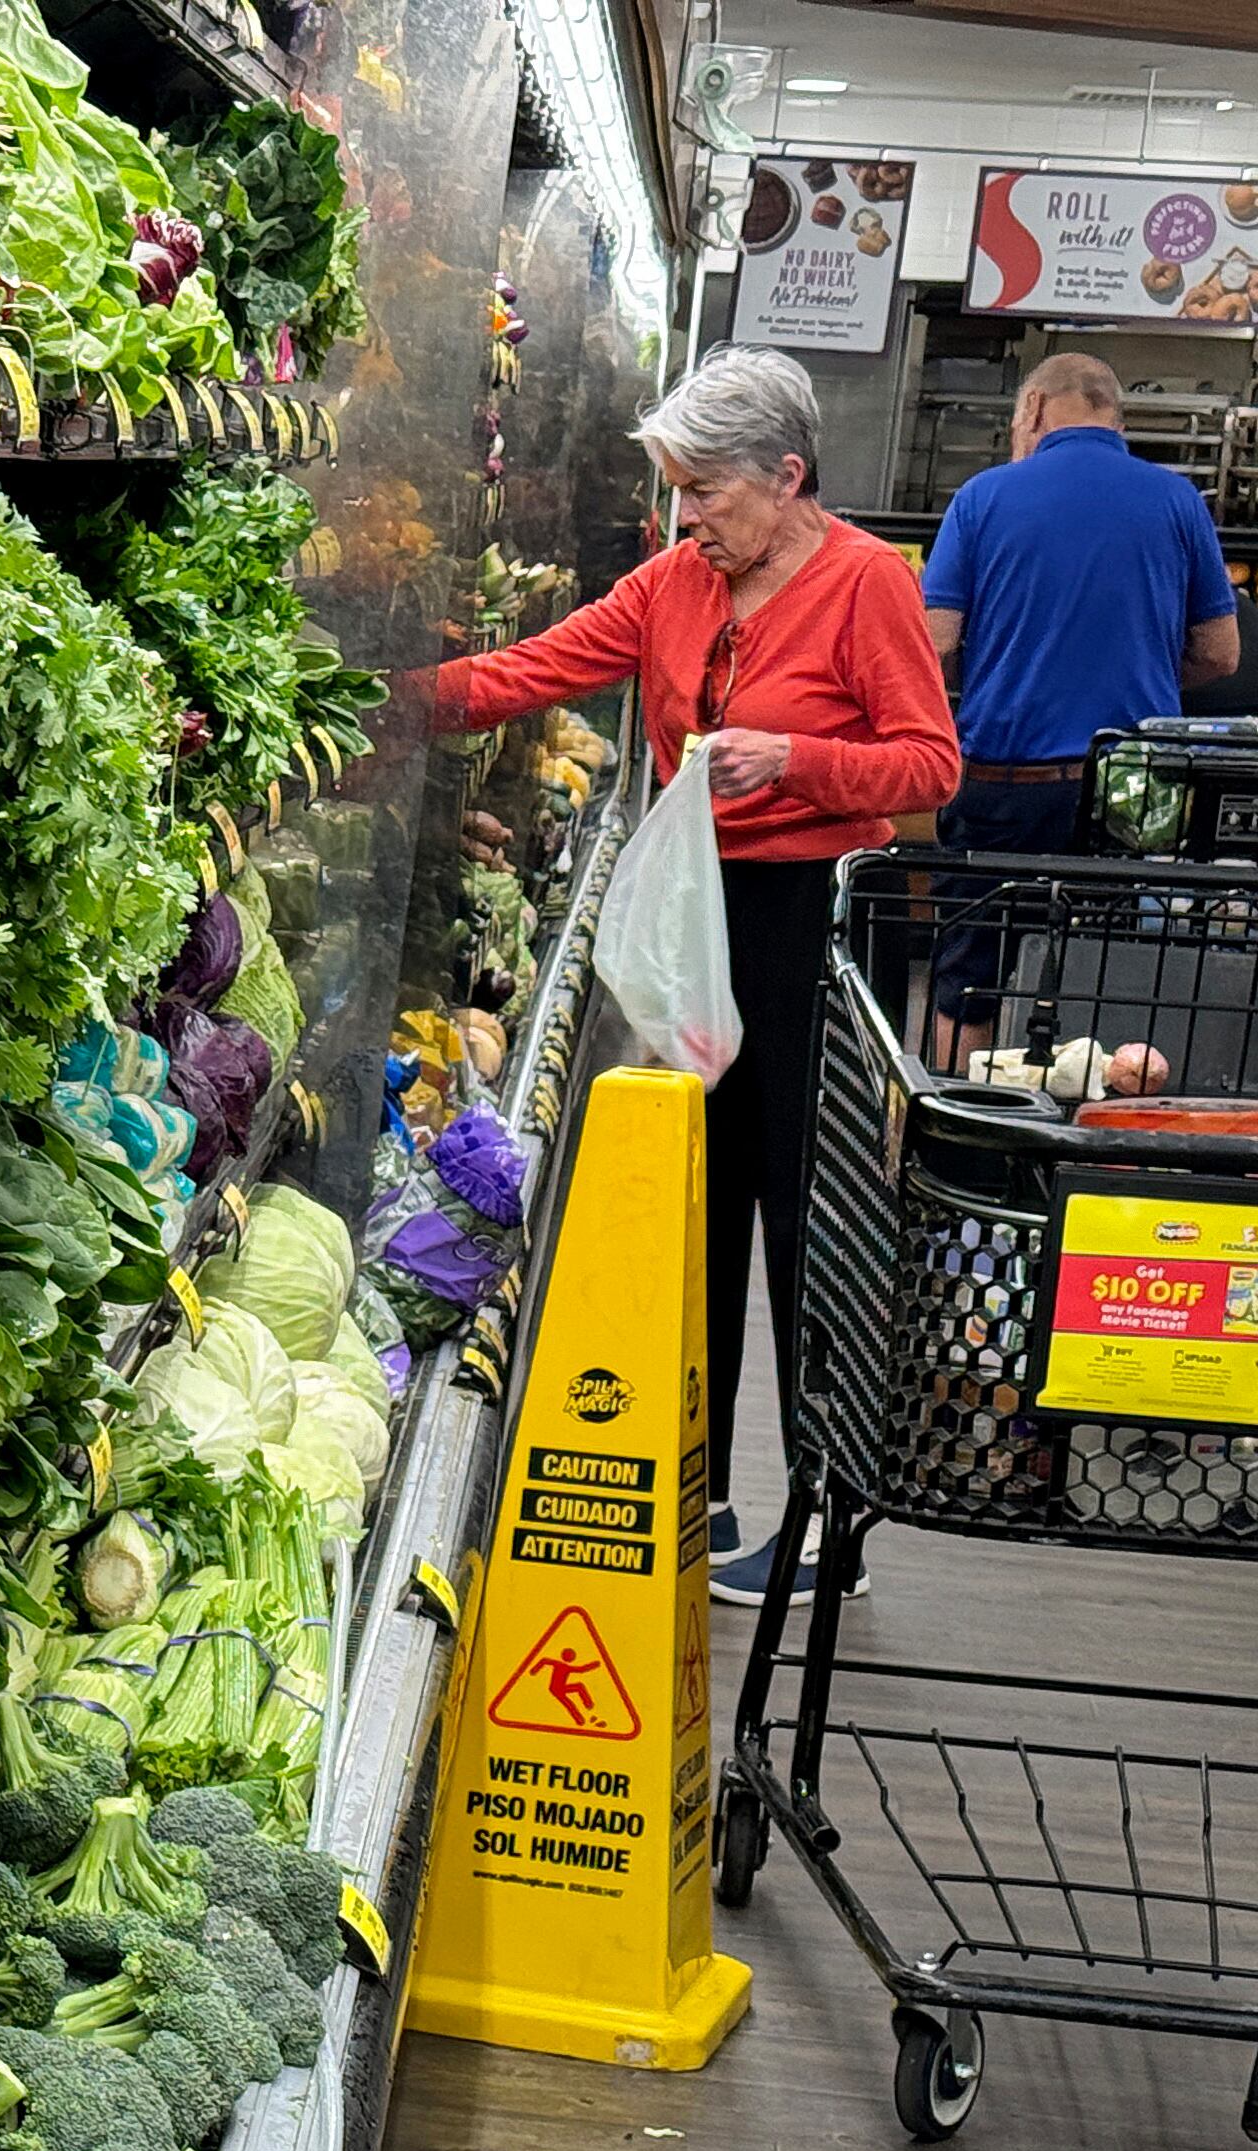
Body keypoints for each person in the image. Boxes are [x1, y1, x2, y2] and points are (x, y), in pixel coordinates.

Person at [429, 346, 960, 1606]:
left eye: (706, 490)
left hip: (815, 928)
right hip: (703, 922)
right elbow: (533, 668)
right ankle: (700, 1487)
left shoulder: (866, 585)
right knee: (705, 1203)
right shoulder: (675, 581)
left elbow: (931, 766)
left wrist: (796, 760)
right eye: (677, 489)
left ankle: (829, 1518)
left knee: (811, 1216)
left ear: (788, 475)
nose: (686, 516)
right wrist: (383, 700)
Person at [918, 352, 1240, 1064]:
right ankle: (1107, 1118)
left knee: (967, 986)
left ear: (1033, 409)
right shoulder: (1178, 501)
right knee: (1122, 980)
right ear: (1114, 416)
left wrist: (994, 672)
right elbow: (1222, 654)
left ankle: (955, 1123)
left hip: (1005, 785)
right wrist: (1142, 668)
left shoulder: (983, 497)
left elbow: (932, 642)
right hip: (1134, 793)